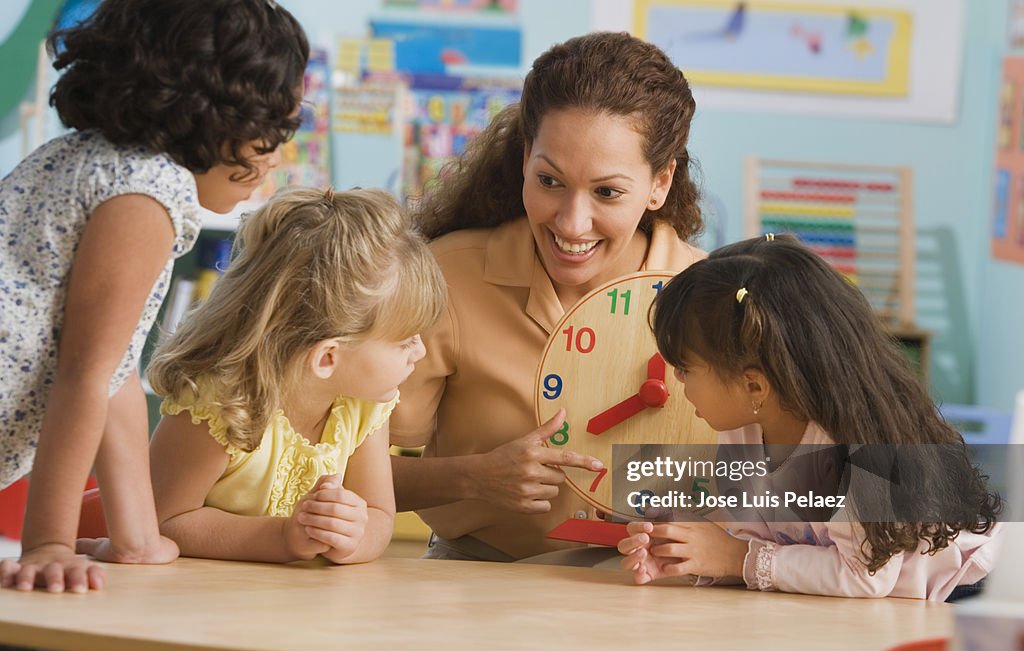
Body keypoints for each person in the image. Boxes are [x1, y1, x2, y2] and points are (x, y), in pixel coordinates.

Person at [0, 0, 309, 596]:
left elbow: (113, 371)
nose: (276, 156)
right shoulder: (145, 197)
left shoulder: (87, 158)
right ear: (215, 117)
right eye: (274, 132)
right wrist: (49, 546)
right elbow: (84, 377)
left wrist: (137, 535)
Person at [390, 31, 707, 562]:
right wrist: (473, 477)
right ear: (524, 160)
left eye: (607, 192)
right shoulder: (447, 276)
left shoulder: (712, 298)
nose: (571, 222)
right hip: (475, 581)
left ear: (660, 183)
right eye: (550, 180)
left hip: (653, 589)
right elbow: (336, 470)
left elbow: (802, 486)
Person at [617, 234, 1002, 600]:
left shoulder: (853, 444)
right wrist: (691, 546)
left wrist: (737, 558)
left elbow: (865, 576)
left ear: (754, 386)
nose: (676, 379)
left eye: (685, 368)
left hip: (961, 591)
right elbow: (763, 549)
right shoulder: (743, 430)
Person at [147, 186, 446, 565]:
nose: (420, 352)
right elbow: (163, 521)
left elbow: (379, 514)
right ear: (327, 357)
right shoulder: (221, 406)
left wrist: (351, 537)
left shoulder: (365, 405)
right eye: (405, 341)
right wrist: (283, 537)